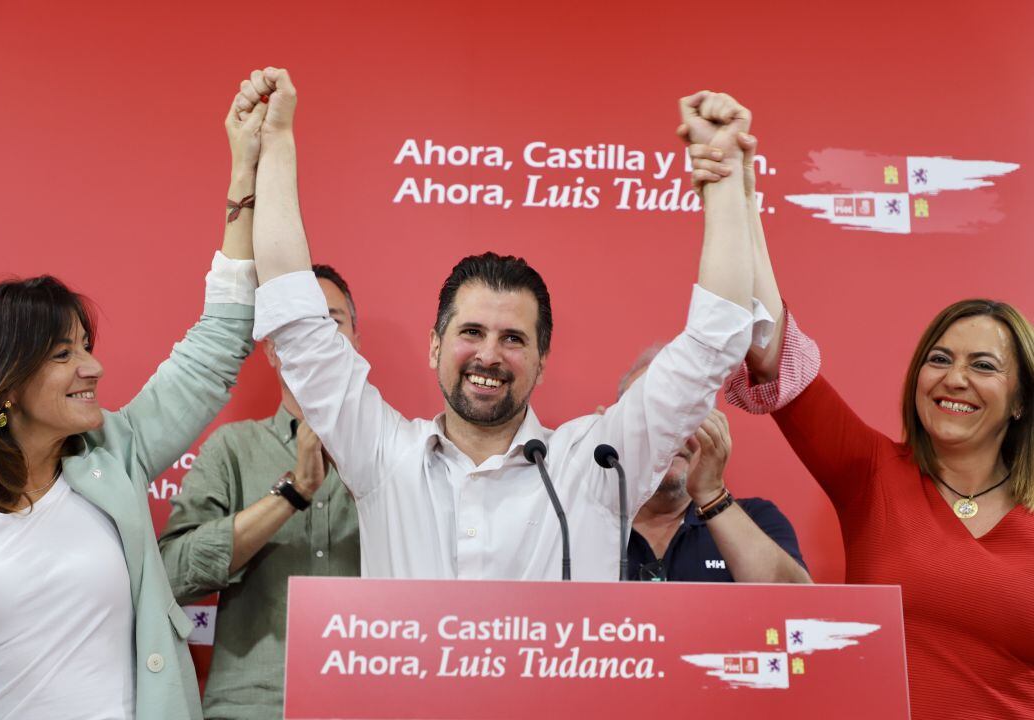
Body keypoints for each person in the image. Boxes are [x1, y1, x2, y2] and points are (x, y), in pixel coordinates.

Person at [248, 68, 769, 580]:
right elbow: (297, 324)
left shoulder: (598, 462)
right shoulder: (383, 454)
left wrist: (723, 182)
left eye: (513, 339)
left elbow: (711, 341)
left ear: (541, 362)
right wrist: (275, 145)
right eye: (471, 332)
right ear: (434, 346)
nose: (489, 355)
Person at [686, 99, 1034, 718]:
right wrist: (739, 190)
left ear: (1020, 401)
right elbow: (770, 350)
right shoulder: (874, 472)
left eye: (983, 366)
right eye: (939, 358)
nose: (954, 378)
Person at [0, 86, 265, 720]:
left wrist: (244, 170)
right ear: (4, 381)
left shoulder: (114, 453)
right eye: (63, 355)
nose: (93, 368)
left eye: (86, 347)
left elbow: (214, 350)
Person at [159, 261, 360, 720]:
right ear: (270, 348)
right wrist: (292, 494)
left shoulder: (399, 449)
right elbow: (168, 577)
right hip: (251, 706)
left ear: (355, 340)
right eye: (297, 327)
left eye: (331, 323)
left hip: (369, 702)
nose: (315, 340)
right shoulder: (232, 448)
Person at [616, 349, 809, 583]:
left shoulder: (757, 519)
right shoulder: (581, 521)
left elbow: (795, 606)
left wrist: (711, 495)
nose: (670, 436)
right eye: (649, 416)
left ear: (713, 424)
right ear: (617, 429)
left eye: (685, 415)